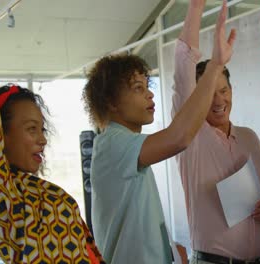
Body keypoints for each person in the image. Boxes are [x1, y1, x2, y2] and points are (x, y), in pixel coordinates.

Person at [82, 1, 236, 262]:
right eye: (138, 88)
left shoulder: (126, 143)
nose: (150, 93)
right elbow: (180, 136)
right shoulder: (112, 143)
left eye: (148, 85)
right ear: (111, 102)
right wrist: (214, 67)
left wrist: (168, 250)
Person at [171, 0, 260, 263]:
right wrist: (196, 9)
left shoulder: (249, 137)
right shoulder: (191, 138)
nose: (219, 101)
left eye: (224, 90)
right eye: (209, 94)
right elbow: (182, 74)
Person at [0, 84, 104, 264]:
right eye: (32, 128)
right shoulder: (55, 204)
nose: (43, 139)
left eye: (42, 129)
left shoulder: (51, 201)